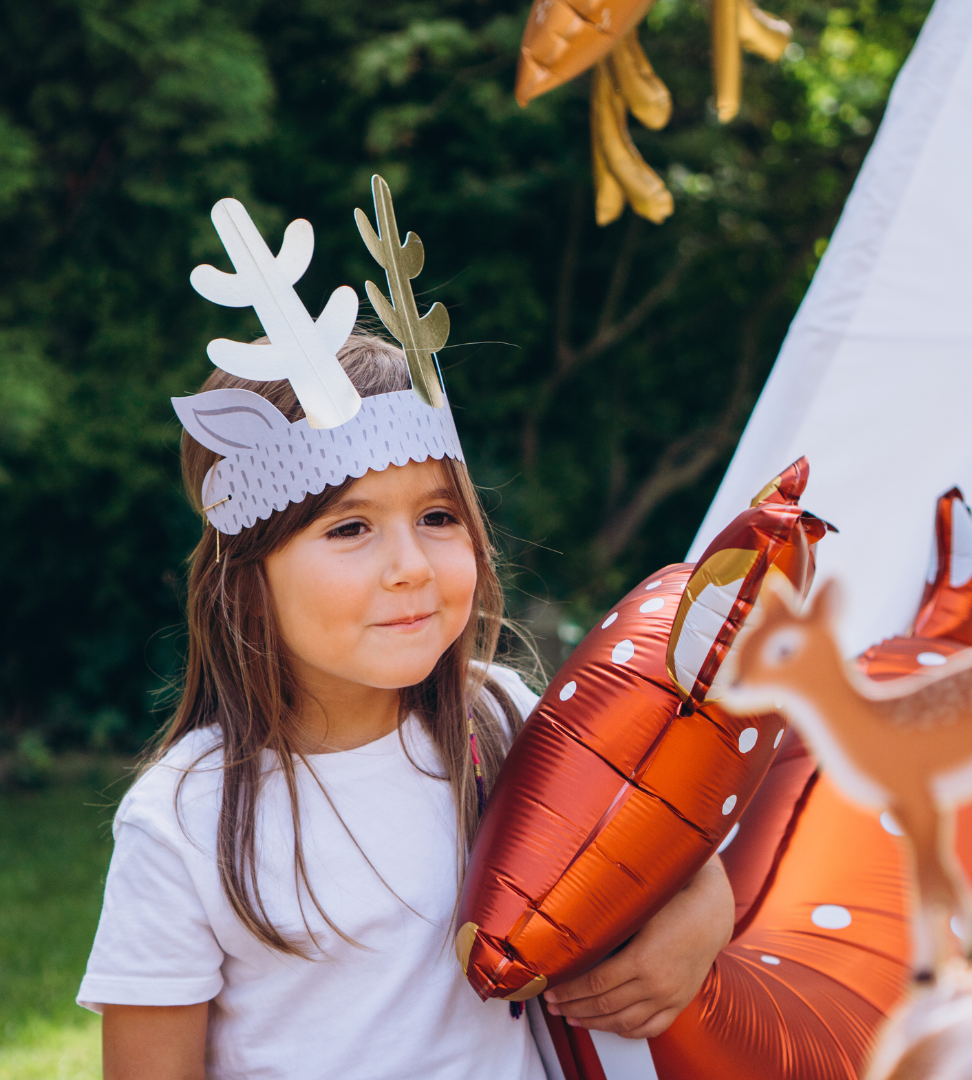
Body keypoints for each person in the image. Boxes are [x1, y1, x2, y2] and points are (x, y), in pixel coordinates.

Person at [77, 195, 733, 1080]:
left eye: (436, 516)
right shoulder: (186, 822)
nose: (411, 566)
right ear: (248, 582)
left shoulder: (499, 717)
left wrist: (702, 911)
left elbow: (657, 839)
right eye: (349, 530)